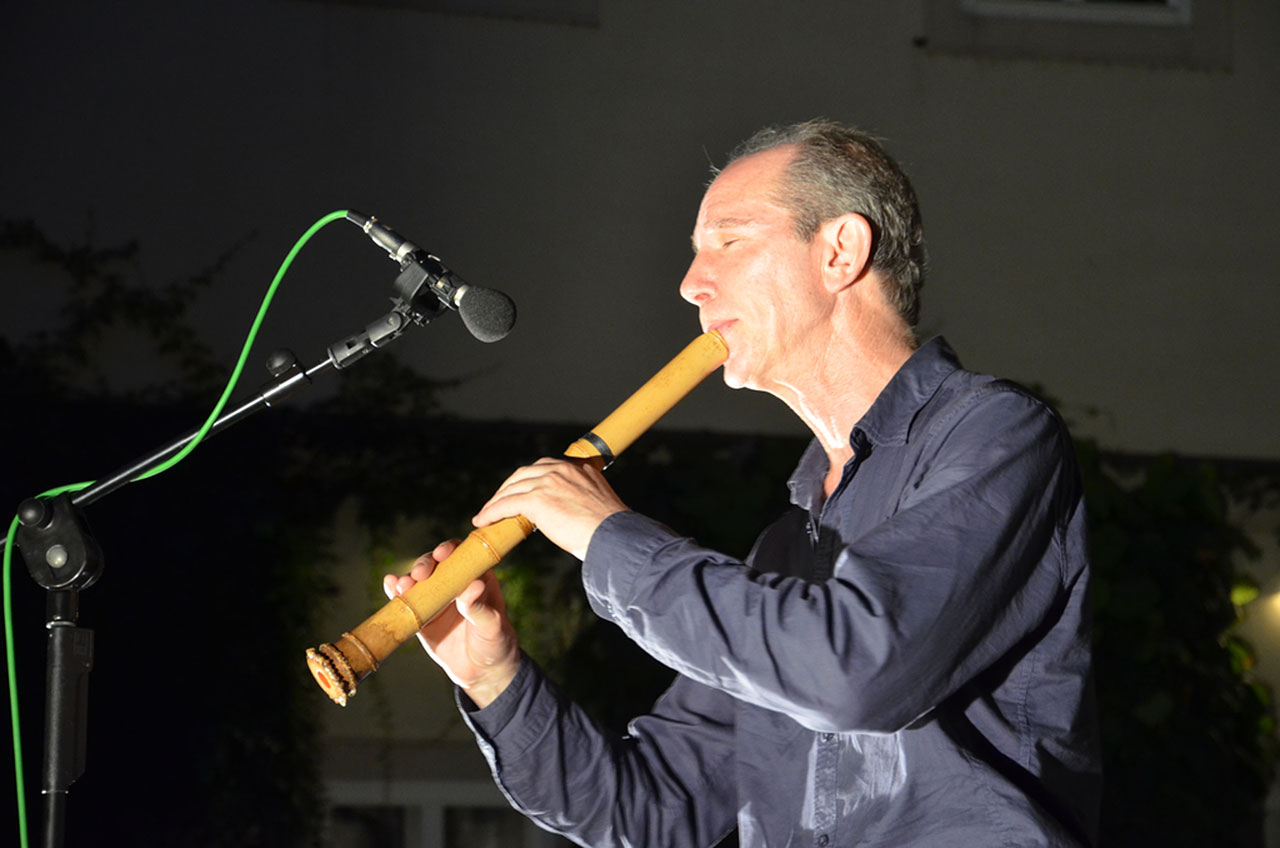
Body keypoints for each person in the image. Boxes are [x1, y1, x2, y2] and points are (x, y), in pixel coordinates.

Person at [385, 119, 1101, 847]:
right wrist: (494, 677)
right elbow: (648, 814)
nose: (692, 284)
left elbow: (856, 670)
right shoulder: (786, 551)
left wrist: (608, 537)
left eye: (728, 242)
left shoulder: (996, 435)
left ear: (840, 252)